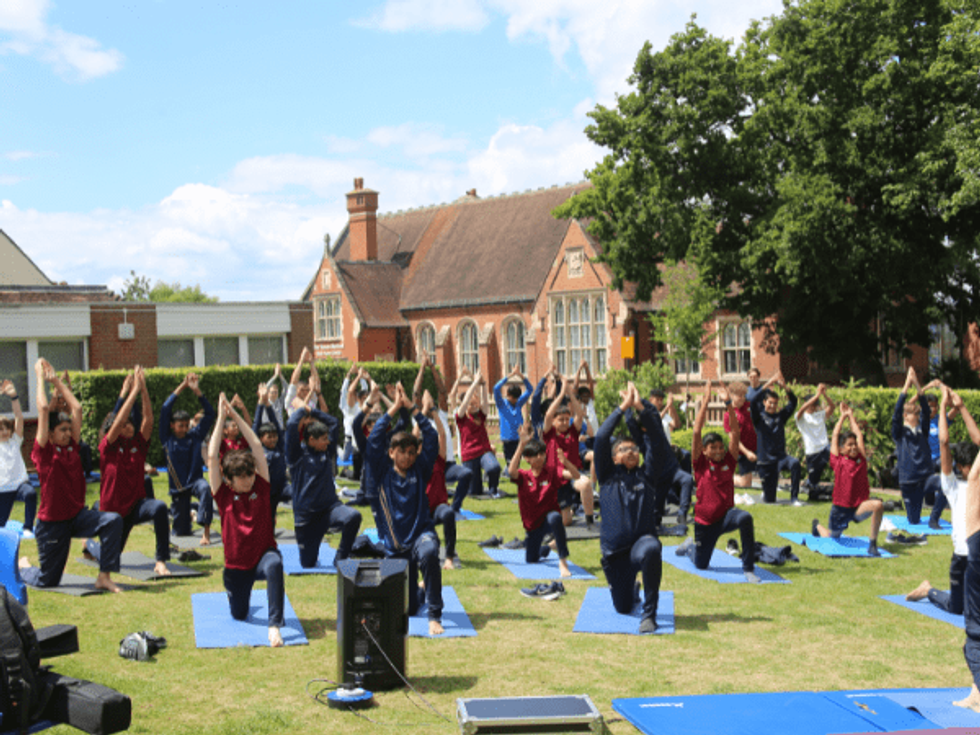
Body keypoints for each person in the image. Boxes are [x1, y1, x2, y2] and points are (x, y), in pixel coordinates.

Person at [19, 359, 123, 593]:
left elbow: (76, 409)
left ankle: (104, 577)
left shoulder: (72, 447)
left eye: (69, 429)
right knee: (48, 580)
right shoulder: (43, 452)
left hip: (77, 517)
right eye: (62, 430)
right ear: (51, 434)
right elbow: (44, 410)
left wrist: (55, 380)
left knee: (113, 520)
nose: (68, 433)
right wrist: (39, 377)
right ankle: (23, 566)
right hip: (52, 525)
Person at [365, 383, 444, 635]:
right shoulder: (380, 474)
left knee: (430, 552)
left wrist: (413, 409)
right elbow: (374, 440)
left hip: (421, 535)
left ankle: (434, 614)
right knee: (406, 609)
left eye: (412, 452)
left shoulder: (420, 469)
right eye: (402, 452)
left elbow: (431, 437)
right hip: (395, 547)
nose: (408, 457)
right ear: (391, 453)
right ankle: (419, 591)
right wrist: (394, 409)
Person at [208, 394, 285, 648]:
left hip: (263, 555)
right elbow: (212, 457)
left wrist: (236, 415)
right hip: (236, 567)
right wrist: (221, 418)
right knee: (239, 614)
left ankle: (274, 625)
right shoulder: (223, 494)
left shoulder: (261, 487)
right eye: (241, 477)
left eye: (250, 474)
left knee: (275, 564)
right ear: (229, 480)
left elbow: (256, 447)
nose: (248, 480)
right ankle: (241, 598)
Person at [88, 366, 171, 576]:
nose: (128, 427)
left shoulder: (138, 445)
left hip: (135, 505)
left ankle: (161, 560)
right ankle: (89, 545)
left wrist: (142, 388)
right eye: (123, 425)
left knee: (160, 507)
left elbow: (148, 420)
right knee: (111, 559)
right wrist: (131, 392)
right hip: (114, 512)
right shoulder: (107, 447)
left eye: (130, 425)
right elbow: (116, 421)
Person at [595, 381, 663, 634]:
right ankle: (632, 590)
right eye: (624, 450)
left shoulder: (648, 475)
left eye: (634, 448)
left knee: (652, 548)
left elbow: (656, 439)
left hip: (641, 545)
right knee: (622, 608)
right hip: (615, 554)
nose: (631, 451)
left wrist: (641, 407)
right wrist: (622, 407)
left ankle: (650, 614)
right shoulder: (607, 476)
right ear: (614, 458)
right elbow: (602, 438)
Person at [676, 381, 761, 582]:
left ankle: (748, 568)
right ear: (704, 451)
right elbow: (697, 432)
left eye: (720, 447)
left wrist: (728, 404)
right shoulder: (700, 464)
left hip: (726, 517)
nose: (717, 451)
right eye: (712, 448)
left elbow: (735, 433)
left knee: (745, 518)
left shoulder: (729, 462)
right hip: (705, 523)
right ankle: (690, 546)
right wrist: (705, 400)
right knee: (701, 564)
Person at [907, 386, 980, 611]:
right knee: (956, 608)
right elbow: (944, 443)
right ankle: (928, 590)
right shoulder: (952, 485)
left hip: (977, 555)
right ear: (960, 468)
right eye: (970, 467)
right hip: (961, 557)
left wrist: (962, 408)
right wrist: (943, 408)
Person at [285, 388, 361, 568]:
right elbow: (291, 426)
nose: (328, 442)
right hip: (307, 518)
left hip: (329, 510)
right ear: (311, 439)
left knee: (353, 516)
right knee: (308, 564)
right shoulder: (296, 455)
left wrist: (313, 410)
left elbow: (334, 422)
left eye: (328, 439)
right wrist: (302, 409)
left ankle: (341, 558)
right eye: (324, 439)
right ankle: (311, 551)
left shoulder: (327, 452)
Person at [811, 403, 883, 556]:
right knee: (832, 537)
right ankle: (817, 526)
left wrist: (850, 415)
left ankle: (873, 544)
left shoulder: (861, 460)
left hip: (858, 507)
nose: (854, 447)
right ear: (842, 449)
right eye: (849, 445)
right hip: (840, 509)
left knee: (878, 505)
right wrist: (842, 417)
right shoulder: (837, 461)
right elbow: (835, 436)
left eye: (855, 444)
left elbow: (859, 435)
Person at [509, 422, 577, 582]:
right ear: (528, 459)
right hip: (532, 526)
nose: (540, 457)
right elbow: (511, 471)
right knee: (532, 559)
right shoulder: (524, 476)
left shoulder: (552, 471)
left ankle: (563, 562)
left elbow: (576, 476)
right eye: (536, 455)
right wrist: (522, 444)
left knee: (555, 518)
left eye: (542, 453)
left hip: (548, 519)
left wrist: (565, 461)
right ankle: (546, 548)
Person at [160, 372, 216, 544]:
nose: (184, 428)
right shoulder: (167, 439)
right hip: (178, 489)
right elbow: (165, 409)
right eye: (180, 426)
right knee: (181, 533)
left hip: (195, 482)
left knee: (206, 489)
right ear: (172, 426)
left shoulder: (195, 436)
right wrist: (183, 386)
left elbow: (210, 414)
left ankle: (206, 532)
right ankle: (190, 513)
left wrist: (197, 391)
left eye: (186, 425)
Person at [952, 392, 980, 712]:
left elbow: (977, 440)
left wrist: (960, 409)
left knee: (974, 636)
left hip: (977, 555)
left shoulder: (973, 477)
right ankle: (976, 692)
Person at [543, 379, 595, 526]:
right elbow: (548, 415)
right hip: (557, 476)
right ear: (554, 421)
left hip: (572, 473)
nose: (565, 422)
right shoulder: (549, 433)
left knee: (585, 483)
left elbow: (579, 414)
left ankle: (590, 521)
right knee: (566, 522)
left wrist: (571, 394)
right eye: (561, 420)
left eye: (567, 419)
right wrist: (560, 394)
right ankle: (556, 510)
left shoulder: (572, 432)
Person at [418, 392, 460, 570]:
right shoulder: (414, 463)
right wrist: (423, 410)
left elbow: (442, 435)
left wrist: (433, 410)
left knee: (449, 514)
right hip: (420, 511)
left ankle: (449, 557)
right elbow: (414, 435)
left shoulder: (438, 460)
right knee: (429, 545)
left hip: (438, 508)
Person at [750, 369, 801, 504]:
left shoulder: (780, 417)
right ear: (765, 402)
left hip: (781, 458)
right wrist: (769, 383)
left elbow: (793, 402)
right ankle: (766, 492)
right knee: (770, 500)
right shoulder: (758, 418)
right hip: (766, 462)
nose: (772, 405)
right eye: (770, 402)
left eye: (775, 403)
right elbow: (753, 401)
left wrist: (783, 386)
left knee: (795, 463)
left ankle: (794, 498)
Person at [647, 388, 694, 530]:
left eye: (662, 400)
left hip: (669, 461)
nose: (660, 402)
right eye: (657, 400)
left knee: (687, 479)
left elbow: (676, 424)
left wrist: (672, 406)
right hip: (656, 464)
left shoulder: (665, 415)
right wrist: (667, 406)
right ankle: (656, 517)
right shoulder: (647, 413)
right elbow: (654, 424)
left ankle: (682, 514)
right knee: (657, 508)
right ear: (650, 400)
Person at [892, 367, 933, 525]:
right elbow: (896, 413)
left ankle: (935, 519)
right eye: (912, 414)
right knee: (914, 520)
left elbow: (927, 411)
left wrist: (917, 384)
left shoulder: (923, 431)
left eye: (917, 413)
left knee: (944, 487)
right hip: (908, 480)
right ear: (905, 416)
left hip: (925, 476)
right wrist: (906, 385)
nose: (916, 416)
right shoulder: (900, 433)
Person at [456, 369, 503, 500]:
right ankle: (476, 485)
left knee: (494, 468)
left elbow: (485, 403)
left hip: (483, 452)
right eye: (472, 404)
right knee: (474, 492)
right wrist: (475, 382)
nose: (475, 405)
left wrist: (483, 384)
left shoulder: (481, 416)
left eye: (476, 403)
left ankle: (493, 490)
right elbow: (464, 402)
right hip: (469, 456)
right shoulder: (461, 418)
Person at [0, 379, 36, 536]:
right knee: (1, 526)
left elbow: (19, 417)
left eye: (6, 428)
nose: (5, 432)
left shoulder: (15, 441)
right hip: (3, 489)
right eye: (0, 430)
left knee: (30, 493)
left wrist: (14, 397)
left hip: (20, 485)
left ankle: (28, 527)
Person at [253, 382, 289, 530]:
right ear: (261, 438)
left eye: (275, 436)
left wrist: (268, 404)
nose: (273, 439)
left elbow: (276, 423)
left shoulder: (279, 446)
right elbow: (256, 425)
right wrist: (261, 404)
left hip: (281, 488)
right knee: (264, 519)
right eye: (269, 437)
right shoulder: (258, 449)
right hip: (264, 491)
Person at [795, 383, 837, 500]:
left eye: (815, 405)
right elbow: (802, 409)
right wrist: (817, 395)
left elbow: (832, 407)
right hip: (812, 453)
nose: (813, 407)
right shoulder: (801, 418)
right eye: (812, 404)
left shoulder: (820, 415)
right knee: (814, 484)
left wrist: (824, 394)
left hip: (825, 448)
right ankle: (808, 483)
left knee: (839, 462)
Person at [494, 364, 533, 479]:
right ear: (508, 395)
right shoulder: (502, 405)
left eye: (517, 398)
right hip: (507, 439)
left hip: (518, 438)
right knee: (511, 462)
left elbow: (530, 389)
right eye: (513, 398)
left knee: (517, 462)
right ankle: (510, 475)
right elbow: (496, 388)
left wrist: (520, 375)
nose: (515, 400)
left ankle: (511, 475)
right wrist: (510, 376)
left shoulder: (518, 403)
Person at [725, 381, 757, 490]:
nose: (743, 398)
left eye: (744, 395)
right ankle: (724, 477)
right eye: (739, 396)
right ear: (732, 395)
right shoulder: (729, 415)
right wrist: (747, 452)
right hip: (743, 452)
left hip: (757, 448)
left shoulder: (749, 406)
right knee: (745, 484)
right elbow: (734, 439)